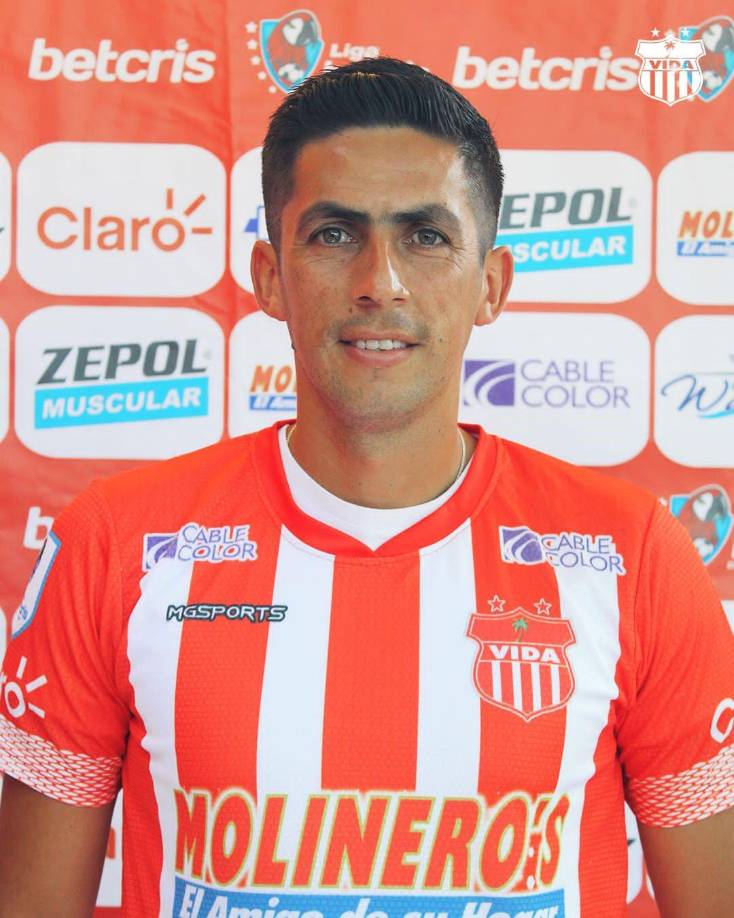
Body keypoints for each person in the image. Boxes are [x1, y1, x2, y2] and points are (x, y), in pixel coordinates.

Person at [0, 57, 732, 918]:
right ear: (270, 276)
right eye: (334, 234)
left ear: (491, 284)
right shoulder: (118, 544)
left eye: (426, 237)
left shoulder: (630, 556)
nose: (380, 281)